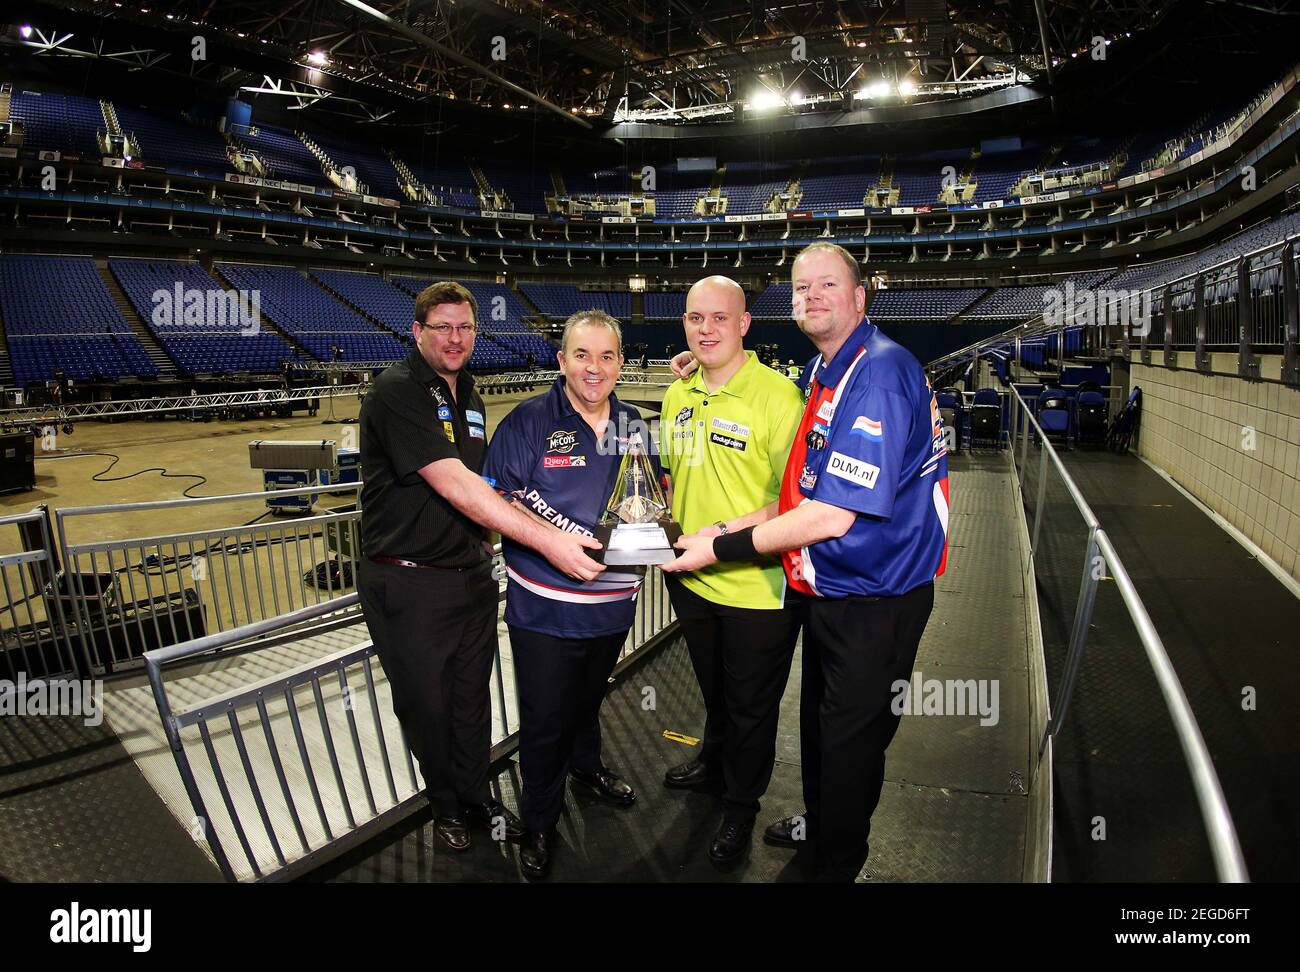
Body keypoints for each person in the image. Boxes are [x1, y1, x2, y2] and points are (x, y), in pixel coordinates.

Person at [663, 242, 950, 882]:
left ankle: (832, 863)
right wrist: (727, 526)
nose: (811, 296)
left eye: (826, 285)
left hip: (877, 599)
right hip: (835, 593)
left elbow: (833, 516)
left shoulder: (876, 374)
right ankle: (823, 825)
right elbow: (800, 498)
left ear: (859, 296)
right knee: (823, 734)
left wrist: (721, 545)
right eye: (800, 289)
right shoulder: (830, 373)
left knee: (850, 746)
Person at [357, 280, 604, 856]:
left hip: (468, 576)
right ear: (417, 332)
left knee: (471, 702)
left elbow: (490, 484)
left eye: (465, 327)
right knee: (427, 704)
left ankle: (478, 799)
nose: (455, 338)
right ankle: (445, 805)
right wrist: (547, 540)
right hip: (409, 578)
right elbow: (459, 486)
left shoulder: (468, 392)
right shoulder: (396, 391)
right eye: (442, 327)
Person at [481, 309, 652, 880]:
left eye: (607, 356)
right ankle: (539, 823)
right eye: (582, 354)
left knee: (589, 699)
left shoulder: (635, 426)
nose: (594, 368)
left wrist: (654, 541)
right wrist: (555, 541)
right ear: (562, 360)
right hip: (546, 611)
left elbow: (651, 499)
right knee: (546, 718)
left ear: (621, 363)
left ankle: (587, 768)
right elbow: (495, 500)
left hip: (613, 607)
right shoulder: (527, 423)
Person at [658, 275, 805, 866]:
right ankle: (714, 762)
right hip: (691, 579)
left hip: (757, 585)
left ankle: (741, 808)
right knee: (716, 692)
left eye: (720, 318)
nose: (706, 329)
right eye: (696, 318)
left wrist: (725, 538)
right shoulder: (678, 395)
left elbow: (795, 500)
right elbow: (675, 475)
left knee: (751, 708)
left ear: (744, 324)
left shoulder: (778, 397)